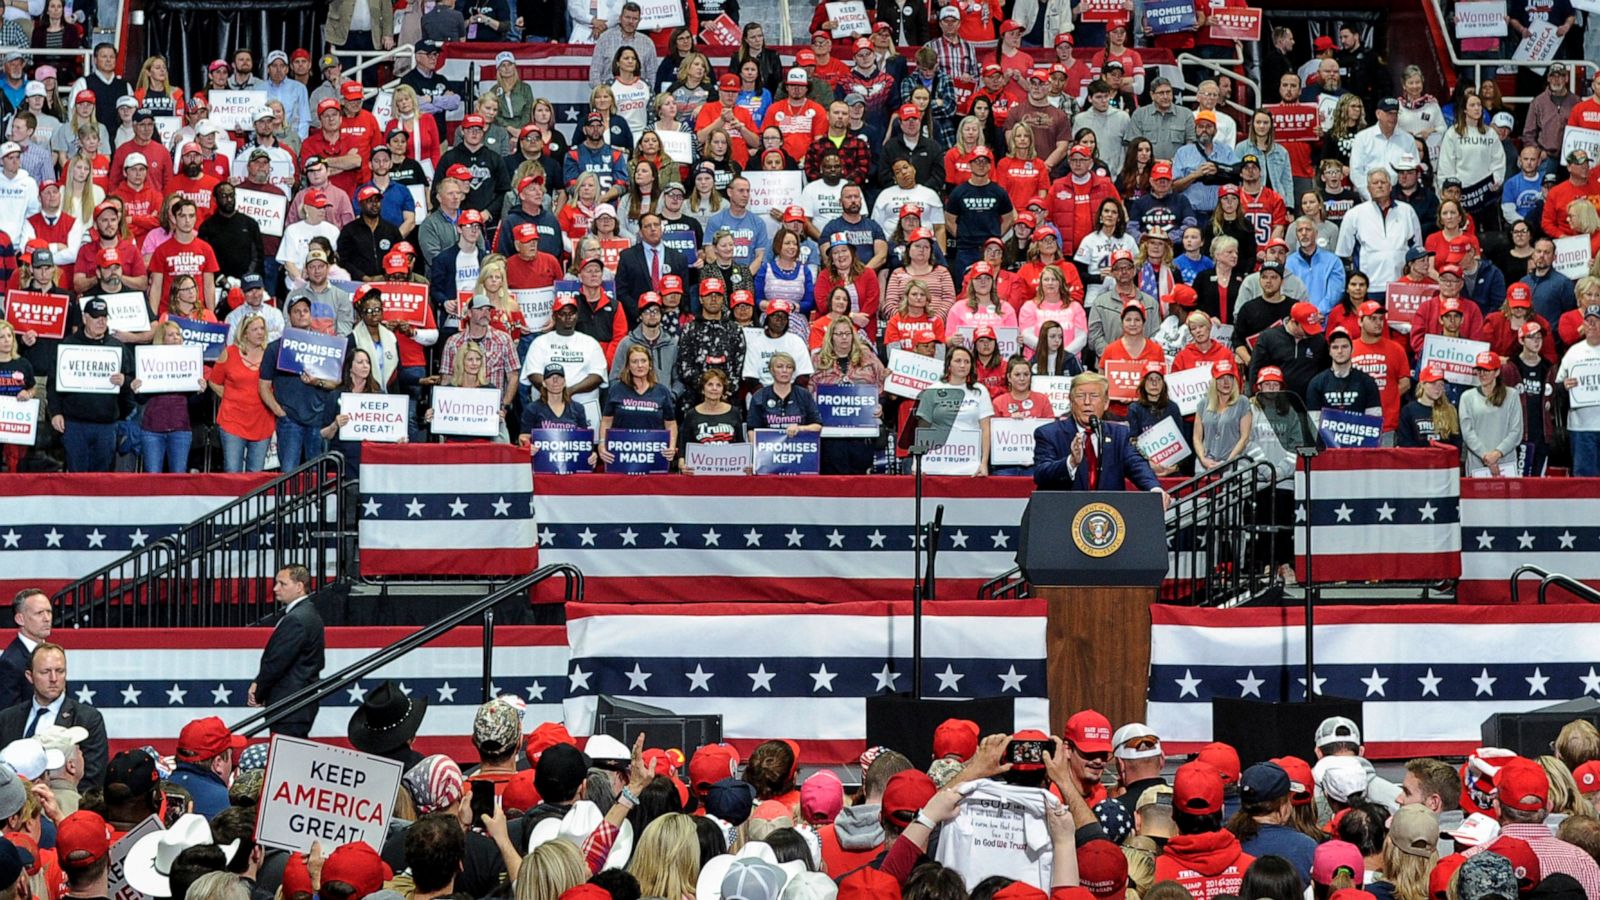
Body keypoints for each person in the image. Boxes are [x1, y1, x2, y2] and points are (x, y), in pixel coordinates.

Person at [1034, 372, 1162, 497]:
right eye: (1080, 396)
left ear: (1106, 403)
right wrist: (1071, 462)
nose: (1087, 402)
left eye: (1094, 396)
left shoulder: (1119, 434)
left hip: (1107, 514)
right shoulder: (1048, 434)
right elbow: (1041, 474)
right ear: (1071, 402)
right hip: (1063, 513)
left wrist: (1154, 488)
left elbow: (1137, 465)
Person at [0, 641, 108, 789]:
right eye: (45, 672)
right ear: (30, 676)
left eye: (60, 671)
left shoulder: (87, 719)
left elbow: (93, 777)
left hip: (66, 807)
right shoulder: (7, 718)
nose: (54, 679)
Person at [47, 296, 133, 472]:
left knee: (103, 480)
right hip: (75, 423)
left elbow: (133, 383)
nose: (101, 321)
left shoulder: (118, 347)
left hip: (107, 424)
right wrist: (55, 412)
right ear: (85, 318)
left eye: (104, 317)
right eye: (96, 317)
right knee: (75, 478)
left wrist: (125, 382)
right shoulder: (68, 345)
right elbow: (54, 383)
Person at [247, 565, 326, 738]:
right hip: (295, 706)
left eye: (282, 584)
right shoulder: (306, 613)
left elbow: (277, 662)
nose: (276, 588)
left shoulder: (297, 618)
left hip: (290, 706)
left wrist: (259, 690)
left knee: (286, 761)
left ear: (299, 587)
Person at [207, 315, 275, 472]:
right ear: (244, 333)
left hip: (262, 421)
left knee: (256, 474)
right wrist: (231, 397)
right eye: (255, 329)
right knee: (232, 471)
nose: (260, 333)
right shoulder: (229, 353)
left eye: (262, 329)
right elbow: (214, 381)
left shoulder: (270, 354)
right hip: (233, 421)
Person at [598, 345, 677, 470]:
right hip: (622, 455)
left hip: (653, 456)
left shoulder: (662, 391)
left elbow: (671, 423)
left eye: (643, 361)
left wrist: (671, 446)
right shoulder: (616, 390)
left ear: (650, 364)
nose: (639, 365)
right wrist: (602, 444)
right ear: (628, 366)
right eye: (634, 361)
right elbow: (607, 420)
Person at [1460, 351, 1524, 476]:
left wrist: (1497, 454)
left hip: (1505, 464)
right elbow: (1467, 432)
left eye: (1487, 370)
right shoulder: (1467, 397)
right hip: (1477, 464)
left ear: (1497, 372)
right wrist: (1485, 455)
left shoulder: (1512, 395)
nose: (1482, 374)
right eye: (1479, 370)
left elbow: (1516, 431)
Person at [1558, 304, 1600, 475]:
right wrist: (1564, 386)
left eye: (1597, 321)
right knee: (1584, 483)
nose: (1592, 325)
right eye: (1588, 321)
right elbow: (1557, 386)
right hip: (1581, 427)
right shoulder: (1573, 352)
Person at [1196, 358, 1252, 470]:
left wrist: (1228, 462)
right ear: (1214, 381)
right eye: (1221, 378)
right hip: (1205, 464)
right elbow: (1197, 437)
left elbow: (1245, 437)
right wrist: (1203, 459)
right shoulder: (1203, 403)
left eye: (1230, 378)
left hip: (1233, 464)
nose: (1226, 382)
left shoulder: (1242, 402)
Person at [1396, 366, 1462, 450]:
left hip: (1443, 461)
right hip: (1417, 460)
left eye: (1441, 384)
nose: (1437, 388)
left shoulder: (1450, 410)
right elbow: (1405, 442)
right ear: (1422, 384)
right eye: (1433, 383)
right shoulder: (1408, 410)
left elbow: (1456, 443)